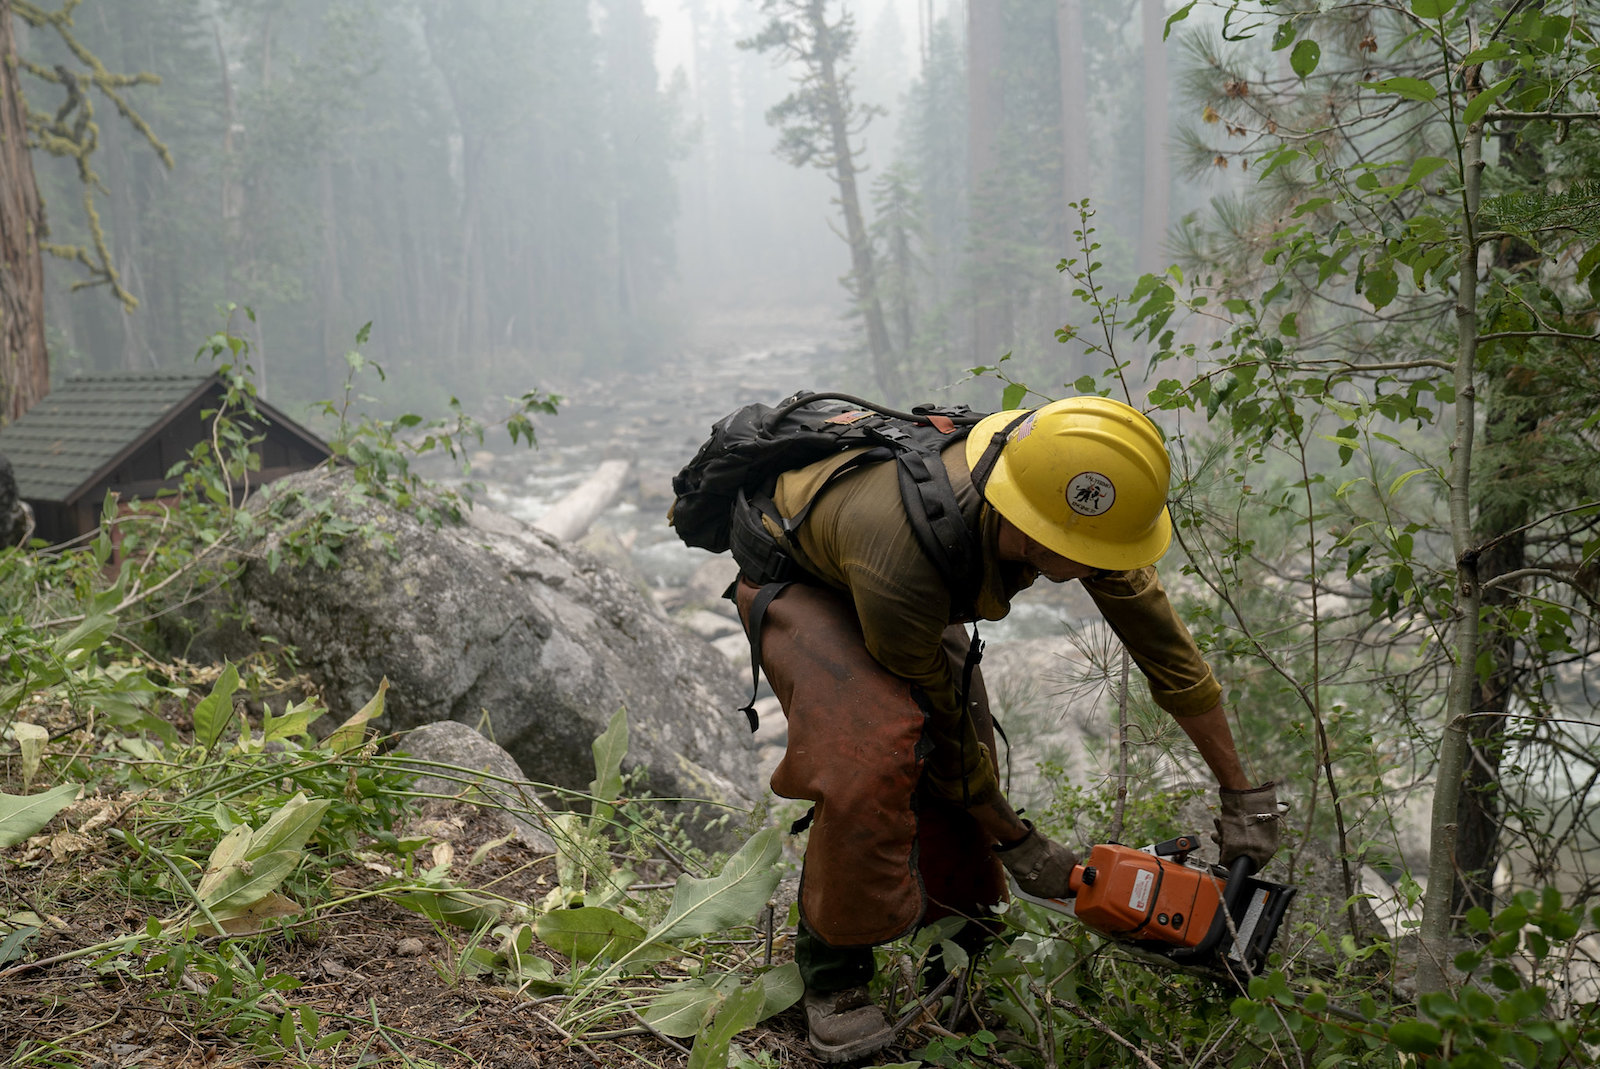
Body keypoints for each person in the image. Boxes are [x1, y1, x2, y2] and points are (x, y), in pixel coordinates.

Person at [729, 395, 1281, 1063]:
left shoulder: (1077, 503)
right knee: (875, 751)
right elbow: (945, 735)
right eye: (1085, 555)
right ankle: (833, 979)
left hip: (899, 580)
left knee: (966, 752)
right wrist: (1020, 841)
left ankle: (958, 953)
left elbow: (1169, 657)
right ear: (1030, 529)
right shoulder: (904, 552)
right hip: (805, 577)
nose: (1099, 566)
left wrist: (1241, 794)